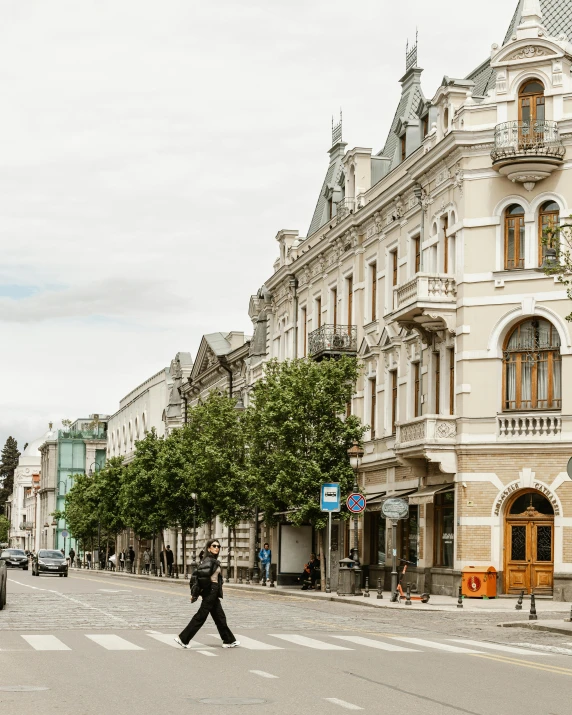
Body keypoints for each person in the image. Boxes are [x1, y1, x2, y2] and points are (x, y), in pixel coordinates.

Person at [175, 539, 239, 650]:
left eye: (218, 546)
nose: (217, 548)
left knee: (220, 617)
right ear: (208, 548)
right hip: (211, 591)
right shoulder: (209, 561)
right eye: (214, 546)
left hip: (213, 591)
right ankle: (183, 638)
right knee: (201, 616)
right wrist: (196, 594)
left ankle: (228, 640)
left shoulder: (212, 560)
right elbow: (201, 579)